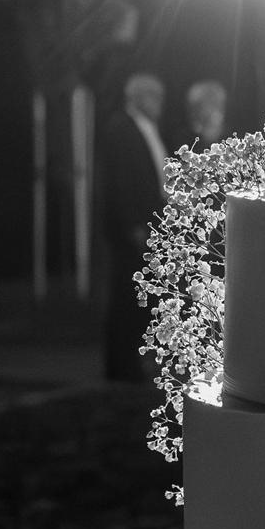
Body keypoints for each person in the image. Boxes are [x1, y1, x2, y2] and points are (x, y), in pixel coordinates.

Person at [99, 71, 167, 383]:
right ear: (139, 98)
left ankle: (131, 363)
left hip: (144, 224)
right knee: (126, 296)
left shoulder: (143, 127)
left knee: (137, 297)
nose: (160, 103)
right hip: (131, 229)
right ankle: (121, 366)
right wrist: (133, 223)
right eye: (155, 97)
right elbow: (121, 181)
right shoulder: (121, 129)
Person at [184, 77, 229, 152]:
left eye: (216, 103)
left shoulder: (233, 137)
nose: (212, 110)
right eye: (207, 103)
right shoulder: (187, 142)